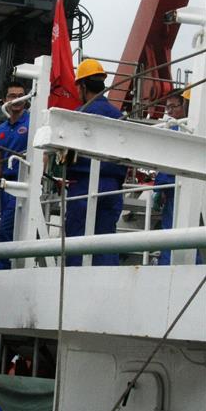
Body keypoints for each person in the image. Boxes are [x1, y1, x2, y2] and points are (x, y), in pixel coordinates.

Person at [65, 59, 127, 266]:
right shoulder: (119, 116)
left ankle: (74, 281)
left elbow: (67, 155)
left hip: (83, 184)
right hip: (112, 187)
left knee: (76, 243)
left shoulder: (79, 115)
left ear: (83, 86)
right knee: (106, 242)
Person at [0, 81, 30, 270]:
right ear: (5, 100)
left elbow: (43, 154)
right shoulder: (2, 129)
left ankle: (2, 269)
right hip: (6, 186)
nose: (16, 99)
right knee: (7, 228)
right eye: (12, 96)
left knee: (7, 230)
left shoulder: (33, 123)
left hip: (24, 183)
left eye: (20, 95)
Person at [153, 89, 189, 265]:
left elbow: (169, 166)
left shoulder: (179, 129)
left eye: (173, 106)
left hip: (178, 191)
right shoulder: (178, 128)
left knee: (174, 236)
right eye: (167, 108)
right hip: (179, 191)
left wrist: (159, 188)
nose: (170, 112)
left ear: (185, 105)